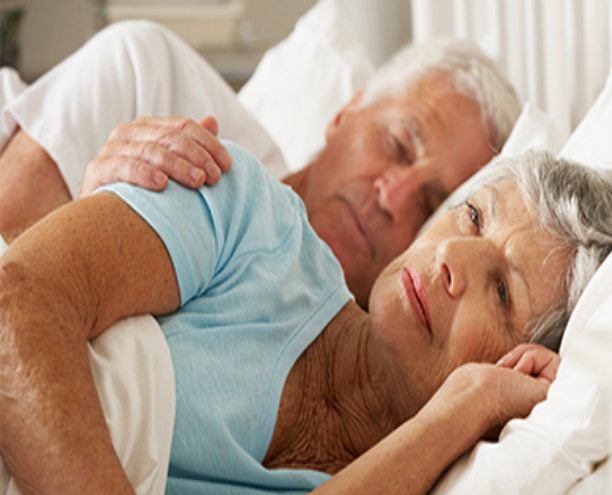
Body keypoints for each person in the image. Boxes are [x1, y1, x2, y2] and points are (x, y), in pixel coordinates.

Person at [0, 140, 612, 495]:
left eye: (502, 291)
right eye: (473, 215)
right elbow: (16, 300)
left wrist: (464, 410)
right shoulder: (253, 218)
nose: (452, 254)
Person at [0, 20, 521, 306]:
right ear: (345, 113)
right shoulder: (151, 79)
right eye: (399, 145)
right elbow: (12, 279)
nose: (393, 196)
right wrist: (100, 211)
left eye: (431, 206)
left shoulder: (341, 383)